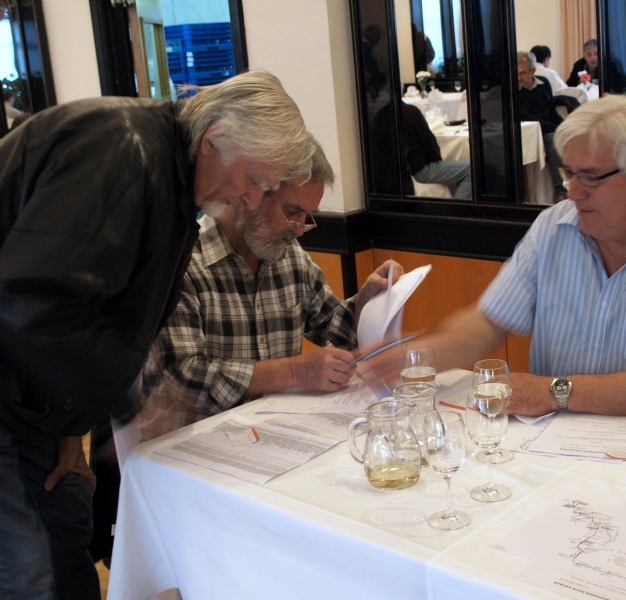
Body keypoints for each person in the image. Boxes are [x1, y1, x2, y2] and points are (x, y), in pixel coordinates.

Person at [0, 69, 318, 600]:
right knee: (30, 571)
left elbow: (91, 310)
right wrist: (135, 402)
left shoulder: (173, 184)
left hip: (30, 391)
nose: (250, 201)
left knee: (66, 532)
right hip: (8, 387)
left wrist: (70, 432)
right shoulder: (122, 154)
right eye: (255, 182)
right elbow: (29, 306)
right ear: (214, 138)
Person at [370, 95, 626, 422]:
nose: (573, 192)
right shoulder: (554, 227)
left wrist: (555, 391)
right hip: (561, 442)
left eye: (591, 177)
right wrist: (413, 358)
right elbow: (489, 321)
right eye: (569, 174)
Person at [135, 140, 402, 440]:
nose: (299, 229)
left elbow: (332, 328)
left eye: (308, 215)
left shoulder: (289, 257)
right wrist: (294, 372)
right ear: (250, 194)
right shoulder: (182, 261)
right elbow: (186, 376)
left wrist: (365, 300)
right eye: (292, 211)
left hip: (268, 438)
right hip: (186, 446)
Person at [387, 101, 472, 199]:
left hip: (393, 172)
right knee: (472, 170)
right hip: (418, 171)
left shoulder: (380, 114)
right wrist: (437, 160)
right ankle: (458, 207)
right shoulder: (410, 111)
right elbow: (429, 144)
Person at [517, 51, 565, 200]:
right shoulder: (514, 90)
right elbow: (529, 119)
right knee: (553, 139)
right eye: (516, 73)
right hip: (533, 132)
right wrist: (557, 129)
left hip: (548, 126)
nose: (518, 77)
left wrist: (565, 126)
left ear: (533, 71)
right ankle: (561, 190)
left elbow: (551, 110)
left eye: (523, 73)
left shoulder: (544, 83)